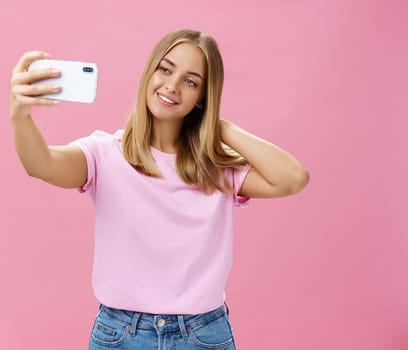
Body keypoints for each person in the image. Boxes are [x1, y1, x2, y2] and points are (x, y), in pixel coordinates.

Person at [9, 28, 309, 350]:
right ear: (150, 71)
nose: (172, 86)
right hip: (121, 333)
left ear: (202, 98)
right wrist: (20, 115)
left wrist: (221, 127)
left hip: (203, 334)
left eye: (190, 81)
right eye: (165, 69)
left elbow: (292, 177)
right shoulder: (104, 153)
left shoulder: (214, 169)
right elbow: (41, 165)